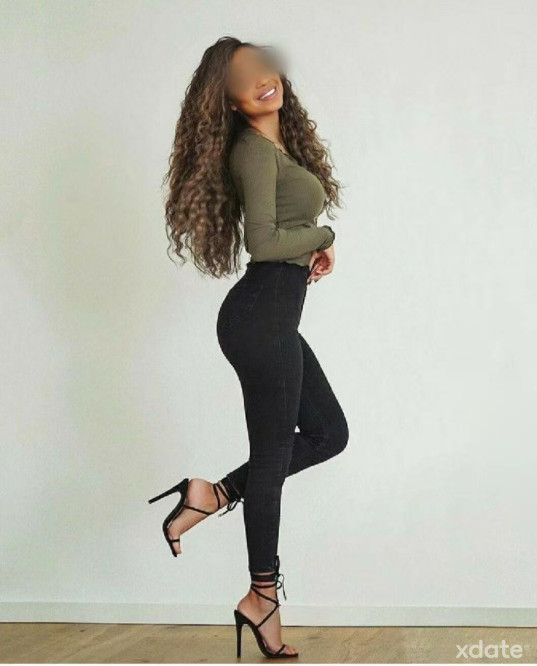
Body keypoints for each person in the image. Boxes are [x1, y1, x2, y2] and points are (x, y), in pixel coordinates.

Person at [148, 36, 349, 659]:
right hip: (260, 319)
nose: (262, 79)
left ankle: (211, 495)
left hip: (270, 320)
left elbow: (283, 235)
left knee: (328, 434)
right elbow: (262, 245)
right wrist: (323, 236)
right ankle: (262, 595)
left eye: (264, 66)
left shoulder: (277, 147)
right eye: (243, 78)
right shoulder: (252, 152)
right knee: (271, 460)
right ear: (229, 101)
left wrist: (312, 245)